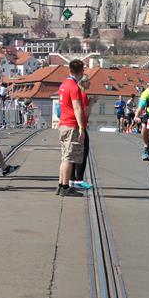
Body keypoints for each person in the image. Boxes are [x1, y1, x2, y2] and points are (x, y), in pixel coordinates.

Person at [56, 60, 86, 197]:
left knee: (64, 156)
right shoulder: (74, 87)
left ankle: (61, 185)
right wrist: (81, 127)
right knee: (69, 157)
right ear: (81, 72)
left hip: (63, 124)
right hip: (71, 124)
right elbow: (77, 107)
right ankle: (65, 187)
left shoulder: (63, 85)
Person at [70, 76, 93, 189]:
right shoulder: (83, 95)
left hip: (73, 125)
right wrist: (91, 103)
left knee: (73, 153)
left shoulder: (78, 93)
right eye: (88, 81)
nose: (90, 83)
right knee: (82, 153)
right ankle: (78, 179)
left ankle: (72, 179)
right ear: (83, 83)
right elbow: (86, 113)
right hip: (80, 126)